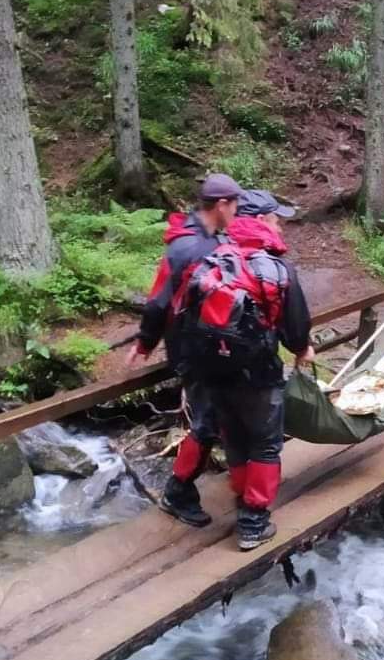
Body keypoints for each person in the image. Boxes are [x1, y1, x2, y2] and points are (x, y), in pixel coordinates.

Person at [181, 189, 313, 550]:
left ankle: (242, 498)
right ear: (259, 222)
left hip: (213, 372)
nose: (280, 226)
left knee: (235, 439)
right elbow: (296, 324)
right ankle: (254, 521)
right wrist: (302, 349)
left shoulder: (211, 259)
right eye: (274, 219)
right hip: (258, 374)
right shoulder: (276, 267)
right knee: (266, 445)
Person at [128, 173, 242, 527]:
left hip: (216, 347)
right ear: (221, 205)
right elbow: (159, 299)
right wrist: (146, 342)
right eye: (235, 204)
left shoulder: (212, 239)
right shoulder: (187, 247)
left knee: (227, 415)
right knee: (207, 421)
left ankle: (240, 479)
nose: (237, 211)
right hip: (195, 351)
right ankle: (177, 491)